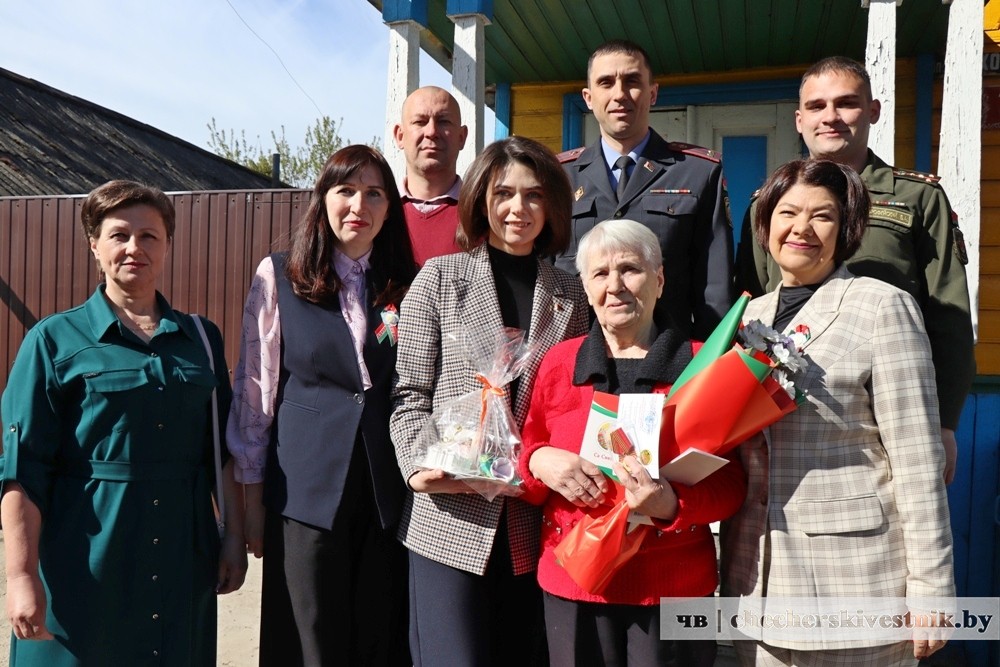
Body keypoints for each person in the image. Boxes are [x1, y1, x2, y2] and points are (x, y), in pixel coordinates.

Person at [0, 180, 247, 666]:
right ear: (94, 245)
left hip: (181, 558)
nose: (134, 248)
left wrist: (234, 538)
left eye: (149, 235)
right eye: (119, 235)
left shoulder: (201, 339)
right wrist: (21, 576)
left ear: (168, 245)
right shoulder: (54, 340)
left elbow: (221, 450)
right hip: (86, 561)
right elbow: (22, 468)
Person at [721, 159, 954, 665]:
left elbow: (917, 460)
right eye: (787, 212)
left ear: (846, 229)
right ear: (766, 225)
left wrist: (931, 587)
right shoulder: (747, 318)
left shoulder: (881, 306)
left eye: (822, 216)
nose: (801, 228)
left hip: (855, 583)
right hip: (755, 583)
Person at [390, 135, 590, 666]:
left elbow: (575, 405)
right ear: (481, 199)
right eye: (504, 193)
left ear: (552, 205)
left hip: (531, 517)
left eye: (534, 195)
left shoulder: (572, 295)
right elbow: (409, 392)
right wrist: (417, 466)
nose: (518, 208)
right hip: (449, 515)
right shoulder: (439, 278)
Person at [735, 56, 975, 484]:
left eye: (846, 103)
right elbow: (753, 306)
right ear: (799, 120)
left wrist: (944, 423)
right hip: (790, 409)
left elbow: (949, 317)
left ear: (873, 111)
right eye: (816, 106)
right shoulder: (768, 205)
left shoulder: (917, 198)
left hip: (894, 405)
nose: (830, 117)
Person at [518, 218, 747, 667]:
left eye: (630, 269)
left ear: (659, 280)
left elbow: (732, 485)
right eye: (600, 274)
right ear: (586, 289)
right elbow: (525, 463)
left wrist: (671, 504)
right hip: (575, 583)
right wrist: (540, 460)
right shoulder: (559, 363)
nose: (615, 285)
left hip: (677, 590)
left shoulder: (704, 365)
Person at [226, 145, 417, 666]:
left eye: (374, 194)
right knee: (308, 637)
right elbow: (256, 391)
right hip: (304, 490)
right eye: (346, 191)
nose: (359, 205)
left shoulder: (408, 283)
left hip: (385, 492)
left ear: (389, 208)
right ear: (323, 200)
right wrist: (252, 502)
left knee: (378, 636)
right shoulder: (280, 275)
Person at [556, 39, 734, 339]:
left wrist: (708, 359)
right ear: (588, 97)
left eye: (632, 81)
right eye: (606, 83)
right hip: (578, 352)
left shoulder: (698, 173)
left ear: (652, 93)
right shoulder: (560, 177)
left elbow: (715, 289)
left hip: (670, 352)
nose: (619, 94)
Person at [393, 85, 469, 266]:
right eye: (420, 122)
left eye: (444, 121)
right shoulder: (378, 213)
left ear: (461, 137)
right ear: (400, 136)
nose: (432, 132)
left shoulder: (483, 214)